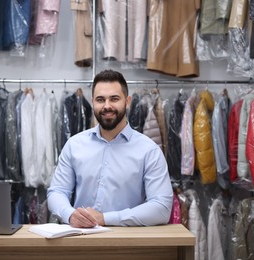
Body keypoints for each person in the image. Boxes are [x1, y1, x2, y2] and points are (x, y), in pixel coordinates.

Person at [47, 69, 173, 228]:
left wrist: (105, 219)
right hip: (80, 242)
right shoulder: (74, 145)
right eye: (100, 99)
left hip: (129, 244)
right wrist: (70, 215)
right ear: (92, 102)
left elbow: (162, 207)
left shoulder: (149, 151)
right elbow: (56, 192)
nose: (107, 106)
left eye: (114, 99)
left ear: (127, 102)